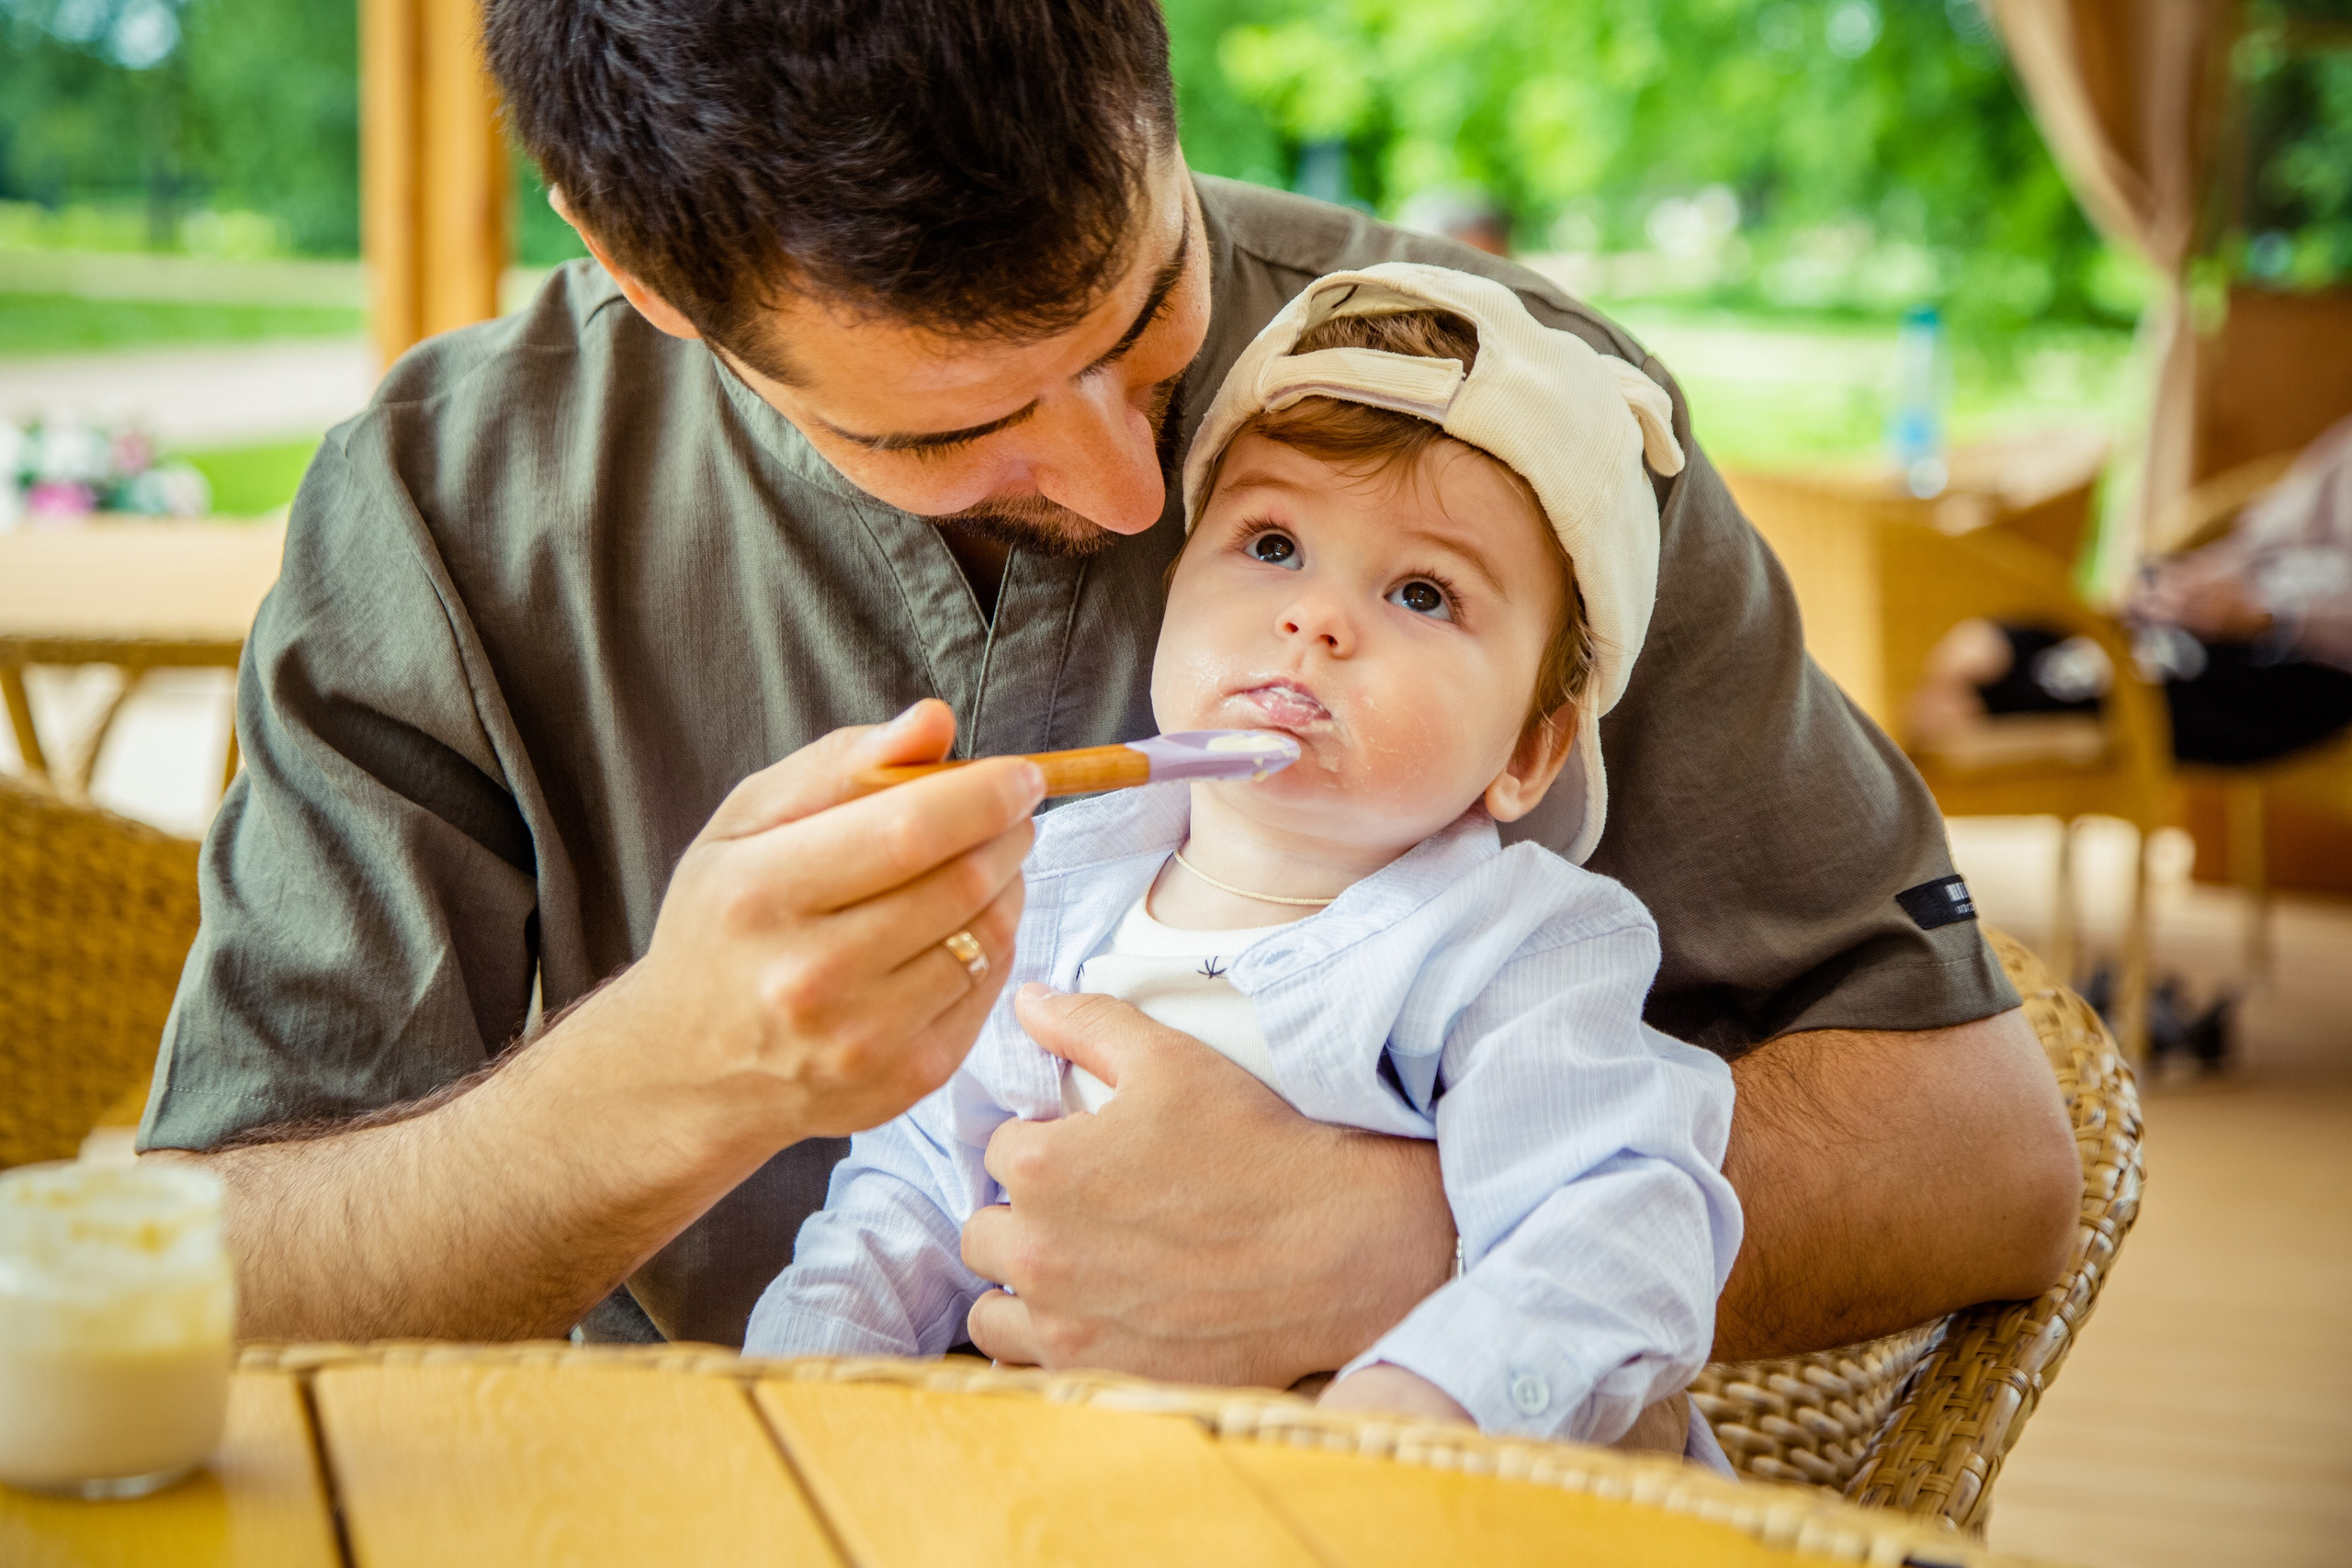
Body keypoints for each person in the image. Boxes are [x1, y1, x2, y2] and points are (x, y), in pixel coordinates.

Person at [140, 0, 2076, 1377]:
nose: (1134, 491)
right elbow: (200, 1284)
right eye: (957, 427)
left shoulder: (1511, 432)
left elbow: (1990, 1160)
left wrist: (1408, 1245)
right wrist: (672, 1071)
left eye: (1149, 318)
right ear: (647, 277)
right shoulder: (446, 515)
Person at [746, 270, 1742, 1464]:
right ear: (1173, 601)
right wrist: (795, 1391)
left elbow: (1619, 1226)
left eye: (1423, 591)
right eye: (1272, 545)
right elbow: (913, 1183)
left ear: (1530, 747)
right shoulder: (1054, 881)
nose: (1315, 621)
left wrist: (1424, 1406)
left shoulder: (1512, 948)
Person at [1911, 412, 2352, 772]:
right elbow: (2263, 533)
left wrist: (2268, 614)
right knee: (2062, 632)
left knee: (2126, 684)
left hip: (2309, 657)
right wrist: (2202, 577)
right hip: (2232, 614)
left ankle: (1979, 700)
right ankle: (1990, 660)